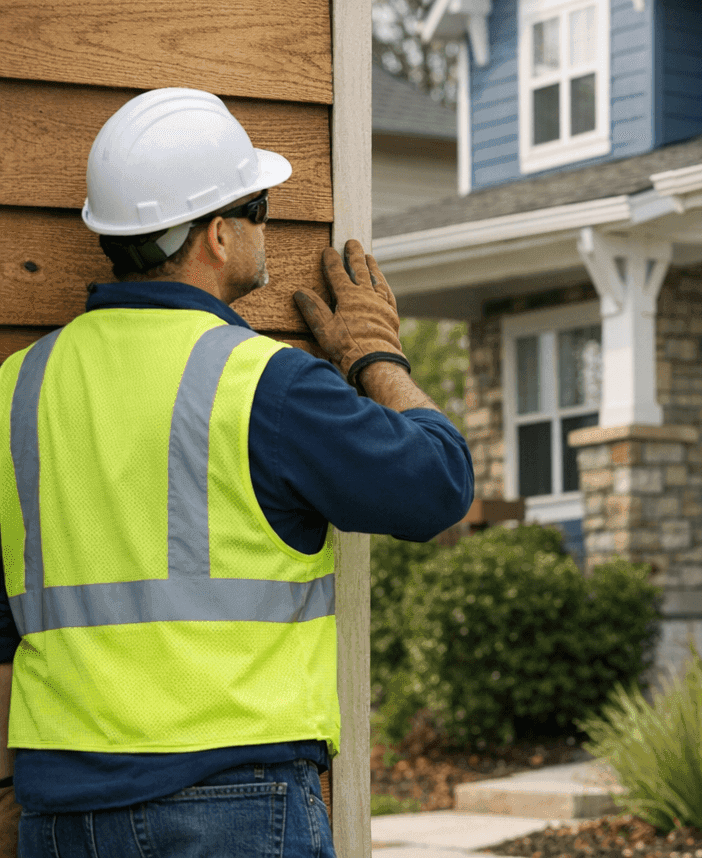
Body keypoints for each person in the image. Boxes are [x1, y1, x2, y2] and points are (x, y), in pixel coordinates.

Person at [0, 88, 474, 856]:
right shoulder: (263, 385)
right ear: (219, 235)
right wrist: (375, 356)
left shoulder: (18, 389)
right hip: (231, 807)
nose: (267, 227)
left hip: (61, 815)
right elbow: (438, 483)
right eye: (260, 208)